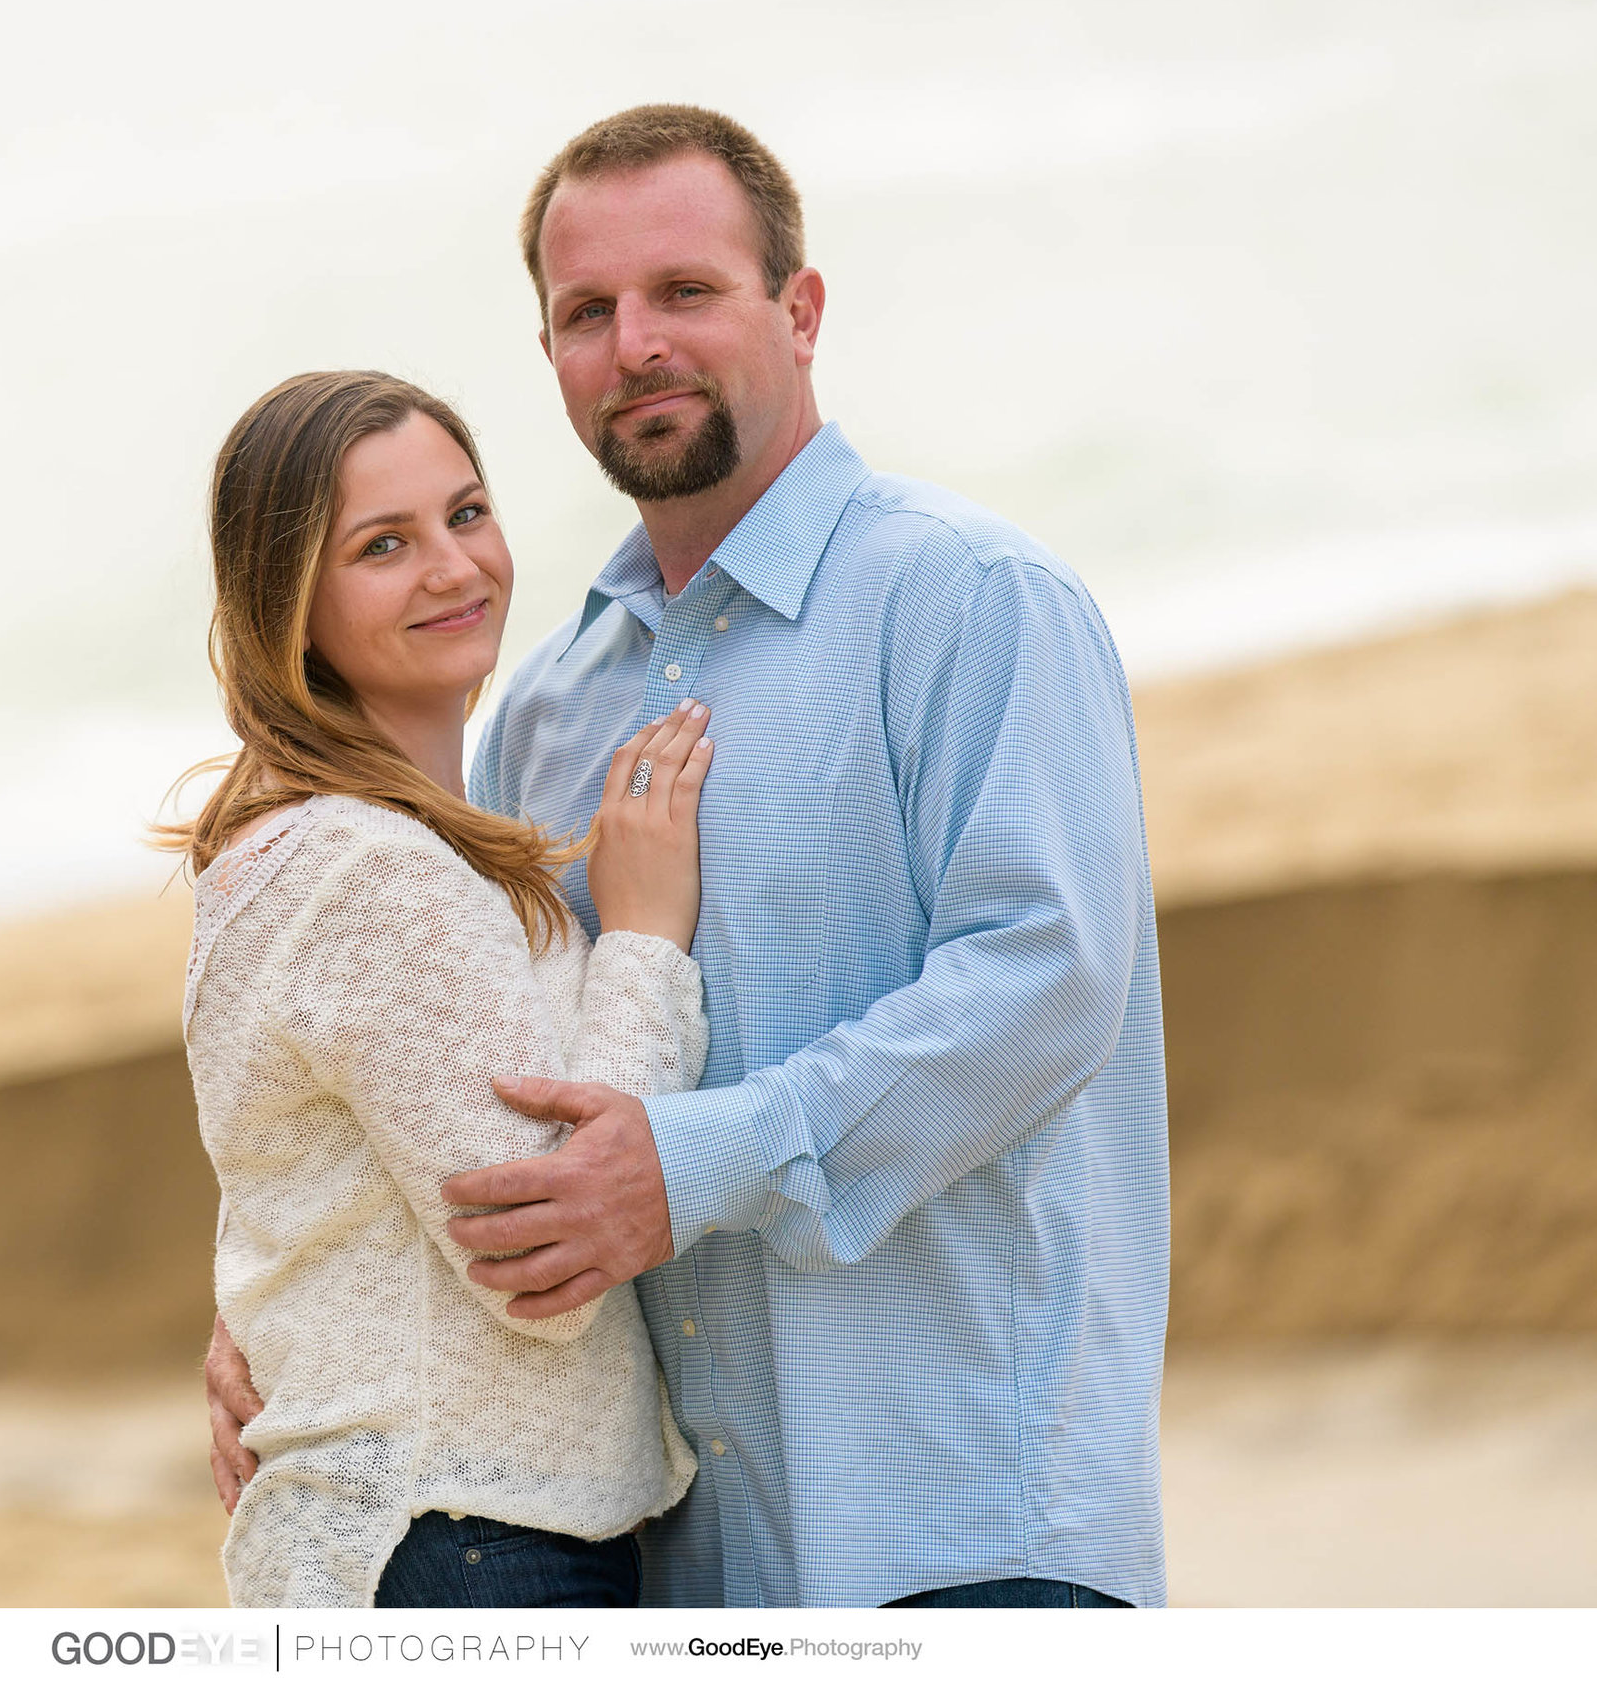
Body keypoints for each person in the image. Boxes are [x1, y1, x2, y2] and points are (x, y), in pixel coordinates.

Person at [205, 105, 1169, 1610]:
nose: (636, 342)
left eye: (686, 292)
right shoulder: (538, 715)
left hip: (961, 1529)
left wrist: (692, 1165)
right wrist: (289, 1305)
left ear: (800, 309)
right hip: (685, 1564)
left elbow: (1047, 984)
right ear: (552, 359)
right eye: (589, 311)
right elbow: (474, 1080)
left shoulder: (971, 600)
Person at [168, 369, 722, 1608]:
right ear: (289, 605)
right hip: (461, 1538)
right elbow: (546, 1265)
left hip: (436, 1528)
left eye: (465, 513)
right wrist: (642, 934)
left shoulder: (315, 847)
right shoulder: (365, 867)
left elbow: (297, 1163)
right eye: (382, 545)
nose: (451, 567)